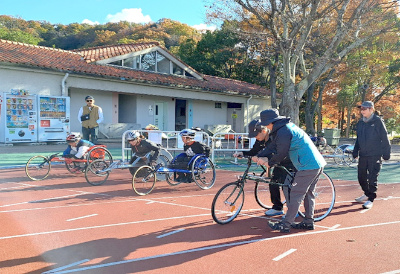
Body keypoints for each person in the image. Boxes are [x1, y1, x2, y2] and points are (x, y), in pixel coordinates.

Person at [252, 109, 326, 233]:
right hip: (315, 163)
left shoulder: (284, 131)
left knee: (296, 194)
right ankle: (308, 221)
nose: (265, 126)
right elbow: (272, 147)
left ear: (271, 122)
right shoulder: (284, 128)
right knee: (308, 193)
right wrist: (260, 155)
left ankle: (286, 224)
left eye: (266, 124)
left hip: (307, 165)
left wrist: (269, 163)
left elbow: (281, 153)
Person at [233, 119, 296, 216]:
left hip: (289, 160)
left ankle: (293, 210)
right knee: (273, 182)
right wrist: (243, 153)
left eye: (256, 135)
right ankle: (277, 207)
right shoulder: (260, 140)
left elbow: (279, 153)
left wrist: (265, 159)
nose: (255, 137)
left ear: (264, 131)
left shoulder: (275, 137)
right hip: (276, 162)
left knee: (285, 184)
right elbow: (254, 151)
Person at [352, 101, 391, 209]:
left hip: (375, 154)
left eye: (364, 109)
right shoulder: (360, 122)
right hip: (363, 154)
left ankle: (371, 199)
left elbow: (384, 138)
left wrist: (386, 153)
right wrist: (355, 151)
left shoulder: (378, 121)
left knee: (372, 178)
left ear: (371, 110)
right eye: (361, 109)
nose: (362, 111)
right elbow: (358, 138)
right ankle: (367, 193)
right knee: (361, 177)